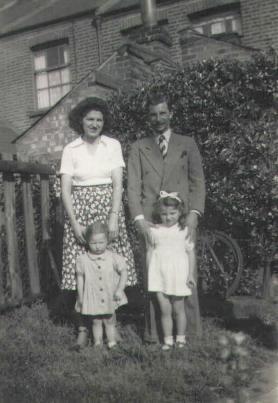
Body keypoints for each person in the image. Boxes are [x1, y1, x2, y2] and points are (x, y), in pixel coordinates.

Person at [127, 92, 205, 343]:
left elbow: (197, 182)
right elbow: (132, 186)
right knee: (155, 275)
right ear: (148, 118)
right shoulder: (139, 147)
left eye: (163, 113)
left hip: (180, 219)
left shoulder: (187, 143)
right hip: (153, 222)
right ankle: (155, 334)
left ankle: (187, 333)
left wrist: (193, 214)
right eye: (153, 114)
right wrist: (139, 219)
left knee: (184, 274)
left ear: (170, 114)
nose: (158, 118)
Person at [59, 97, 136, 345]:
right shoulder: (70, 149)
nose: (94, 124)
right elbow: (66, 190)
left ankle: (111, 324)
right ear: (80, 121)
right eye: (90, 119)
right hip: (80, 212)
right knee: (83, 270)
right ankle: (83, 328)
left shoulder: (112, 145)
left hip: (107, 210)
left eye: (99, 120)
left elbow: (117, 184)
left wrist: (114, 217)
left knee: (109, 269)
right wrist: (74, 223)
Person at [147, 191, 196, 351]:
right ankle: (168, 340)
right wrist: (149, 274)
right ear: (158, 214)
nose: (168, 217)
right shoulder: (154, 230)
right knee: (164, 309)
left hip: (178, 275)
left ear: (180, 212)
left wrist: (190, 274)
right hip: (159, 274)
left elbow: (190, 253)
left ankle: (180, 338)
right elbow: (150, 252)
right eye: (164, 214)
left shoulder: (184, 230)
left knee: (178, 308)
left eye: (172, 213)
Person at [75, 222, 127, 350]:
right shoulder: (83, 259)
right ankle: (97, 343)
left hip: (109, 294)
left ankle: (112, 342)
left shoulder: (113, 257)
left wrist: (120, 289)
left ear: (107, 241)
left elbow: (124, 272)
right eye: (93, 243)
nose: (97, 246)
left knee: (109, 319)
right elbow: (80, 278)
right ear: (87, 242)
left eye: (101, 242)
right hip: (93, 295)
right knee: (96, 320)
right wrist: (81, 297)